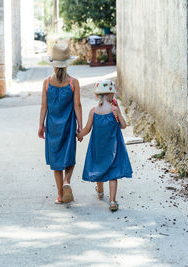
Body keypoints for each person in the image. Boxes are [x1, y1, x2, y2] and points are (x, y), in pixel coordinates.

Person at [77, 80, 132, 211]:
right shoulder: (114, 110)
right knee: (112, 173)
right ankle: (112, 201)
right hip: (113, 147)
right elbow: (123, 126)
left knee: (98, 167)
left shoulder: (93, 111)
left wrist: (79, 135)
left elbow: (87, 129)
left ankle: (100, 192)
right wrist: (118, 109)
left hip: (98, 147)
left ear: (97, 96)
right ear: (112, 96)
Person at [38, 40, 82, 204]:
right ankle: (67, 182)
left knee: (56, 161)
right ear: (68, 63)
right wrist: (80, 126)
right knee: (69, 157)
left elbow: (44, 107)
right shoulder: (73, 83)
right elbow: (77, 106)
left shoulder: (47, 83)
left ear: (53, 64)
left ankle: (60, 195)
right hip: (69, 126)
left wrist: (41, 125)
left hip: (52, 127)